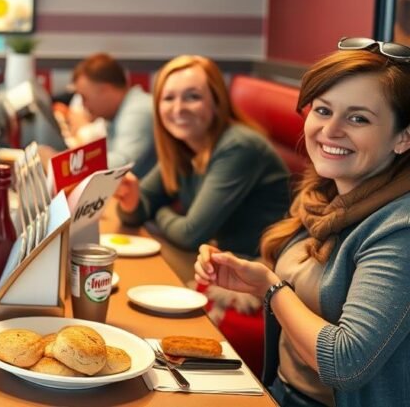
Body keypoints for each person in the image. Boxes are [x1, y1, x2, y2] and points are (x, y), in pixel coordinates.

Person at [195, 39, 410, 407]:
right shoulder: (322, 196)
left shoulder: (399, 229)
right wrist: (252, 277)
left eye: (358, 118)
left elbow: (344, 363)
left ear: (403, 137)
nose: (331, 130)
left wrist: (271, 288)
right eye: (323, 110)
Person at [115, 55, 290, 257]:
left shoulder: (239, 146)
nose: (178, 108)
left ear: (217, 101)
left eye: (193, 97)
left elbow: (190, 235)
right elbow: (140, 205)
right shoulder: (184, 145)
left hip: (255, 268)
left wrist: (159, 212)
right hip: (217, 260)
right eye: (168, 98)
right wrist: (130, 203)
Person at [69, 53, 156, 177]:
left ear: (105, 90)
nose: (83, 105)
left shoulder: (138, 110)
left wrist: (66, 167)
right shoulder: (118, 111)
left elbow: (121, 164)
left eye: (84, 97)